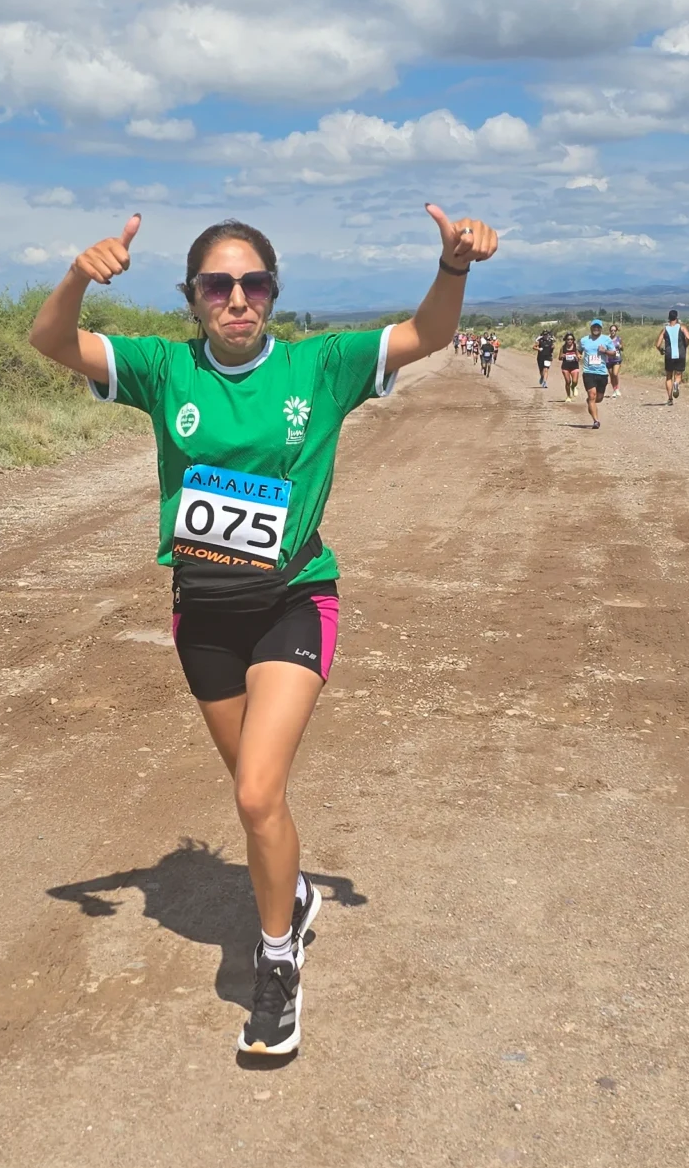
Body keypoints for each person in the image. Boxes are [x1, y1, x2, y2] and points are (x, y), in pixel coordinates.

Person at [25, 203, 499, 1056]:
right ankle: (296, 892)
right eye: (217, 285)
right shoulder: (165, 369)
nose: (237, 299)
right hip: (204, 614)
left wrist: (453, 266)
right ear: (193, 296)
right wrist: (76, 278)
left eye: (253, 284)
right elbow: (51, 341)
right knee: (260, 799)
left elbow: (429, 334)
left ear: (274, 292)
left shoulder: (322, 365)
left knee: (253, 793)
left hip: (294, 600)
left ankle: (277, 959)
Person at [577, 318, 619, 429]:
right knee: (592, 395)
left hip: (602, 373)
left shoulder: (606, 339)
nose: (596, 328)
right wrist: (578, 355)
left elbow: (614, 353)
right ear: (591, 328)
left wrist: (605, 351)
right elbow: (579, 350)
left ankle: (590, 402)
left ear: (601, 328)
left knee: (599, 398)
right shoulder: (584, 340)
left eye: (598, 327)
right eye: (594, 327)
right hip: (588, 372)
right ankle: (596, 421)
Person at [659, 308, 689, 404]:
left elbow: (657, 344)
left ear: (669, 318)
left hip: (669, 355)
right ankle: (676, 383)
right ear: (676, 317)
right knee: (678, 374)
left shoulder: (665, 329)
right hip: (680, 354)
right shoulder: (682, 327)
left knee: (669, 376)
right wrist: (685, 345)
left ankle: (670, 399)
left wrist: (661, 350)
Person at [558, 331, 581, 401]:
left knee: (575, 381)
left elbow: (579, 356)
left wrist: (577, 357)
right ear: (566, 340)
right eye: (568, 339)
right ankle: (568, 396)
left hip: (574, 366)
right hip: (565, 366)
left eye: (571, 339)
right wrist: (563, 356)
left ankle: (573, 387)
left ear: (573, 340)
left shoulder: (575, 347)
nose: (570, 341)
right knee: (568, 381)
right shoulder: (563, 347)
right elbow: (559, 358)